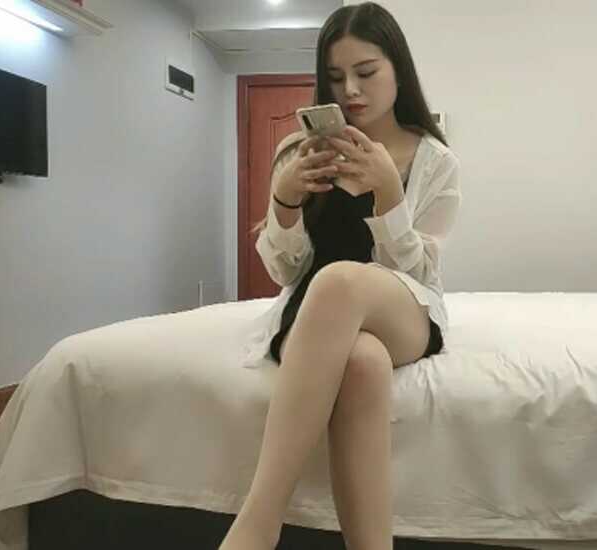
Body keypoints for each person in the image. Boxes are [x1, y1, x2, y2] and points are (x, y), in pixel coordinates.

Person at [220, 3, 461, 549]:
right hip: (317, 317)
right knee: (361, 362)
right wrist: (284, 200)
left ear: (398, 69)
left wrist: (389, 193)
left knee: (341, 281)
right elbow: (284, 270)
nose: (350, 89)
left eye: (366, 72)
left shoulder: (435, 161)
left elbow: (420, 272)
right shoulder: (298, 150)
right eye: (335, 77)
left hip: (403, 311)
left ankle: (258, 523)